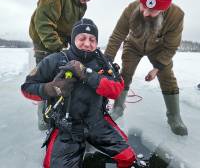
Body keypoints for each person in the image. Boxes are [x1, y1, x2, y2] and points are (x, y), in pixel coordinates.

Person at [21, 18, 136, 168]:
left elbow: (116, 90)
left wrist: (87, 74)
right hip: (66, 128)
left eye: (92, 39)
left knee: (128, 157)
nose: (87, 43)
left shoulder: (103, 63)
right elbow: (27, 88)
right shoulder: (55, 60)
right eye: (82, 38)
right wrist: (52, 88)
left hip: (97, 123)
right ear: (72, 39)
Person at [104, 0, 188, 136]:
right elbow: (117, 36)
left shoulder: (176, 16)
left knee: (167, 76)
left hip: (158, 48)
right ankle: (118, 108)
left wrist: (157, 68)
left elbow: (171, 46)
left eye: (152, 11)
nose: (146, 13)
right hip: (133, 45)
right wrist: (106, 60)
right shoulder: (131, 8)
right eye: (144, 6)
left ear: (164, 8)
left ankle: (174, 117)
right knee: (125, 74)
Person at [29, 0, 101, 130]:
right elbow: (44, 24)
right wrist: (60, 50)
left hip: (60, 44)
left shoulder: (81, 5)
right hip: (44, 43)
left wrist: (74, 47)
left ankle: (62, 111)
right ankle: (44, 120)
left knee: (64, 79)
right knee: (46, 79)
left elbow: (73, 30)